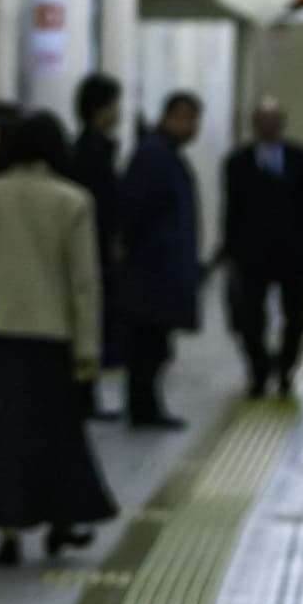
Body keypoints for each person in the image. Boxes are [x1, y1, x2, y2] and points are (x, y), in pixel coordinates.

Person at [0, 111, 118, 566]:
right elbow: (83, 281)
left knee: (3, 434)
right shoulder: (72, 201)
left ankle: (9, 529)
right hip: (52, 337)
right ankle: (60, 521)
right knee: (56, 435)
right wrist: (88, 349)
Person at [222, 95, 303, 397]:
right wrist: (231, 251)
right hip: (252, 255)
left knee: (297, 315)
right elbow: (232, 210)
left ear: (283, 124)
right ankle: (258, 370)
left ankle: (286, 369)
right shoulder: (237, 163)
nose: (269, 126)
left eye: (275, 120)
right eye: (263, 120)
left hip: (295, 254)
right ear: (254, 125)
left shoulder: (301, 159)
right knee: (249, 318)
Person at [118, 91, 205, 429]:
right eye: (190, 119)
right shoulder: (154, 156)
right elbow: (137, 212)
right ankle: (143, 410)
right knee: (147, 349)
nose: (193, 128)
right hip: (152, 273)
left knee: (154, 347)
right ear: (172, 116)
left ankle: (148, 408)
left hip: (158, 271)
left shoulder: (163, 154)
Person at [70, 73, 127, 419]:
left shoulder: (94, 148)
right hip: (96, 252)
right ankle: (84, 399)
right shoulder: (92, 152)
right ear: (101, 108)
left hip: (100, 250)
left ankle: (87, 398)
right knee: (92, 322)